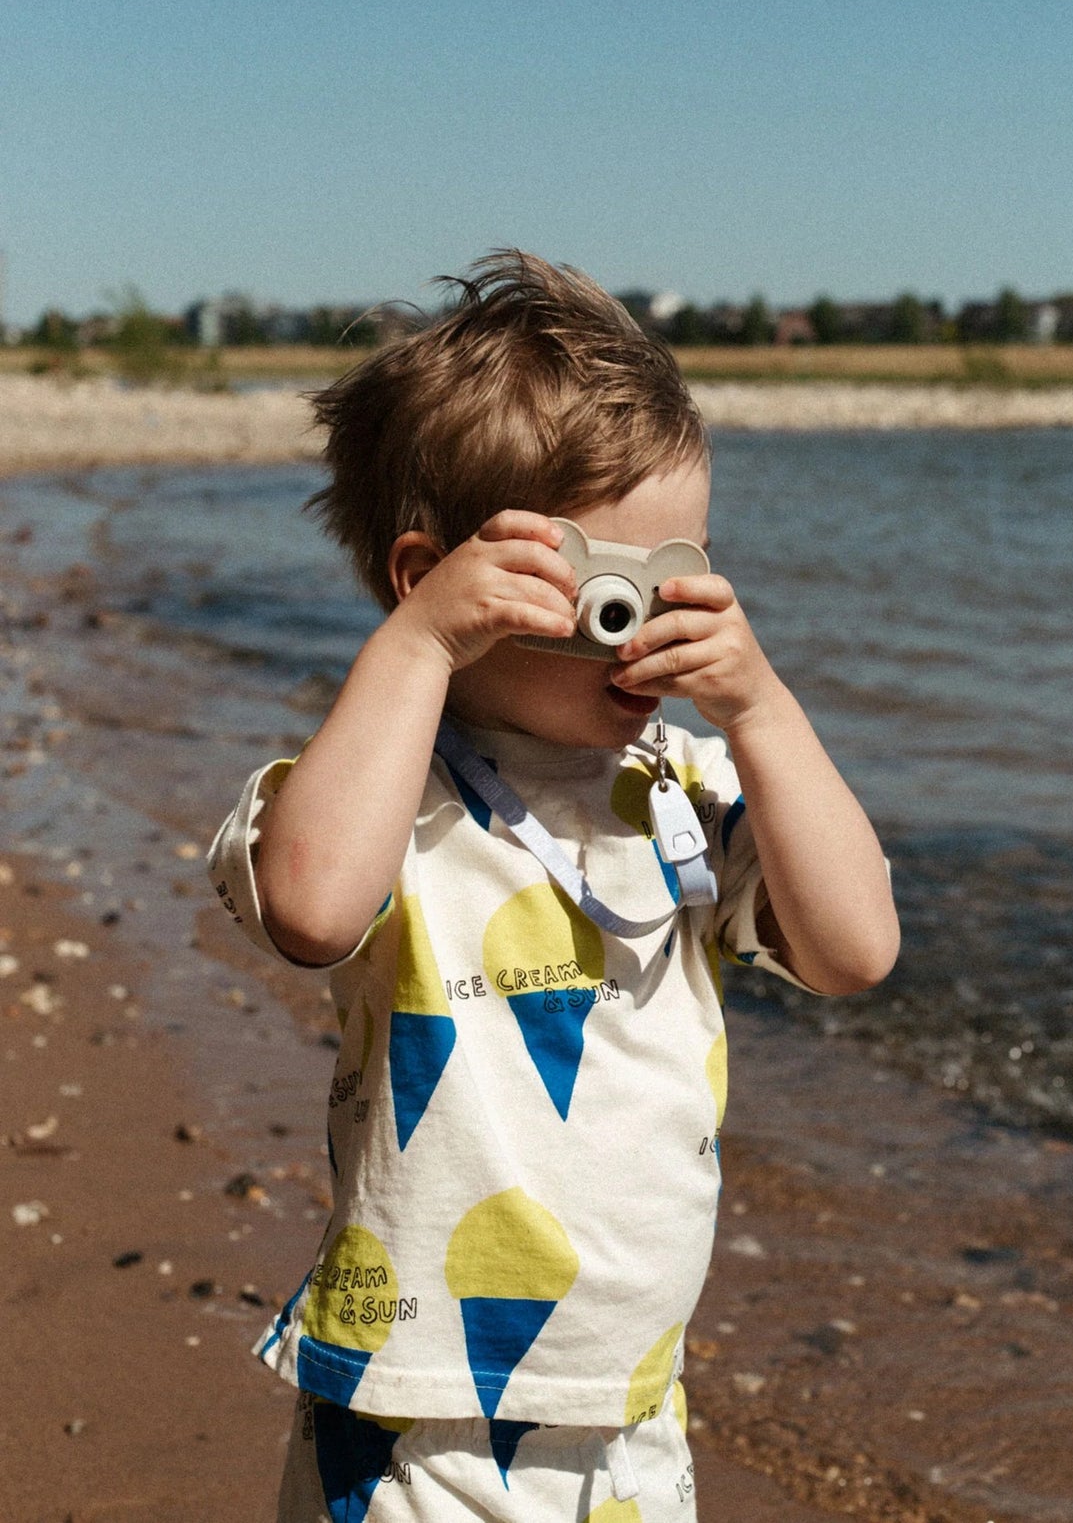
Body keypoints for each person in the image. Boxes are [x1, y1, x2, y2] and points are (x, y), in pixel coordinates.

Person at [208, 250, 898, 1523]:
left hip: (634, 1403)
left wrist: (759, 705)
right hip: (419, 1417)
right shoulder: (378, 797)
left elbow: (854, 950)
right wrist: (413, 647)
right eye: (601, 591)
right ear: (439, 580)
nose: (639, 630)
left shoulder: (686, 789)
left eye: (675, 575)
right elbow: (308, 906)